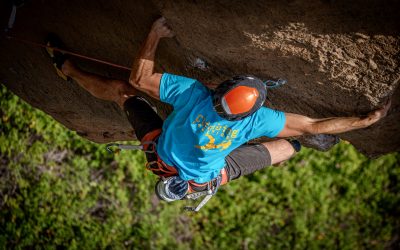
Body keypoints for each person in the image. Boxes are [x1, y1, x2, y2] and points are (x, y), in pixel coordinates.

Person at [46, 17, 391, 206]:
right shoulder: (259, 119)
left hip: (168, 156)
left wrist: (154, 33)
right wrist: (365, 120)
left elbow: (139, 79)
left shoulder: (197, 94)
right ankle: (69, 70)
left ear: (220, 90)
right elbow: (313, 124)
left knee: (124, 93)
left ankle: (69, 69)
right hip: (207, 173)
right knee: (293, 145)